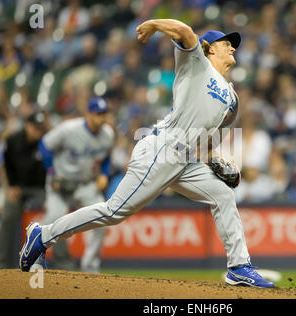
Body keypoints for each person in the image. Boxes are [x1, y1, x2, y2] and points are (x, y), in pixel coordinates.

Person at [19, 19, 275, 288]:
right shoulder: (197, 65)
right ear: (209, 48)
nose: (233, 48)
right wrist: (153, 24)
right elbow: (185, 32)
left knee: (223, 194)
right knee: (115, 211)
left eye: (234, 44)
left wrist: (213, 159)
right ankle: (43, 234)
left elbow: (206, 133)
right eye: (226, 43)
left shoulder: (232, 98)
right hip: (162, 149)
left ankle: (238, 266)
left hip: (185, 159)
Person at [37, 97, 114, 273]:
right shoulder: (69, 129)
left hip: (86, 184)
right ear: (88, 114)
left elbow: (106, 156)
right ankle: (33, 256)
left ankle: (90, 267)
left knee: (103, 220)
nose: (101, 118)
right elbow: (44, 145)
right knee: (52, 219)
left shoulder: (107, 134)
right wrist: (52, 172)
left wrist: (104, 173)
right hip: (61, 182)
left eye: (103, 114)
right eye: (97, 114)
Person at [0, 112, 47, 269]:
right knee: (7, 217)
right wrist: (9, 187)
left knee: (55, 213)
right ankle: (2, 264)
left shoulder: (46, 142)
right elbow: (4, 165)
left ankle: (62, 263)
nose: (38, 131)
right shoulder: (13, 140)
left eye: (40, 128)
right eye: (35, 127)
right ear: (27, 125)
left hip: (40, 189)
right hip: (18, 187)